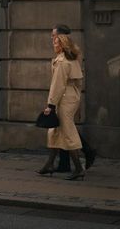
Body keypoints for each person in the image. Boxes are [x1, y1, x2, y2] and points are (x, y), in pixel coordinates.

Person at [38, 34, 85, 180]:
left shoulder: (62, 61)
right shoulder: (71, 59)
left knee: (67, 131)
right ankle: (49, 164)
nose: (53, 44)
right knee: (55, 131)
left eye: (56, 42)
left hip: (64, 98)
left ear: (62, 45)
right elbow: (78, 83)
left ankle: (78, 168)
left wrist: (50, 105)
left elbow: (57, 85)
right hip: (70, 96)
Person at [51, 24, 96, 172]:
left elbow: (71, 76)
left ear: (61, 36)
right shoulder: (68, 50)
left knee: (67, 128)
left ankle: (85, 154)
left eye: (54, 35)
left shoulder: (70, 52)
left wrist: (52, 102)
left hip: (66, 94)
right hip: (68, 94)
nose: (52, 38)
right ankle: (64, 164)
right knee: (64, 128)